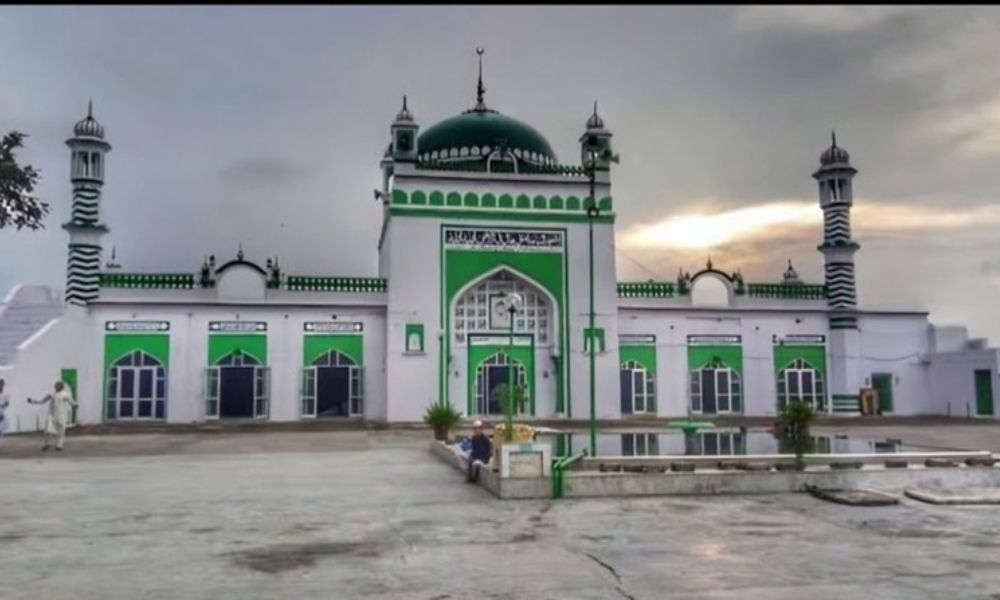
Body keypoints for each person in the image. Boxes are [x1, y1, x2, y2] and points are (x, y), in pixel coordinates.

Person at [27, 381, 77, 452]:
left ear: (61, 387)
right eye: (55, 385)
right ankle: (47, 444)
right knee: (48, 430)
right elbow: (42, 401)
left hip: (61, 415)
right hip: (52, 415)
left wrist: (75, 405)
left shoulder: (65, 395)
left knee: (61, 431)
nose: (56, 387)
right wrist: (32, 401)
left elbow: (71, 401)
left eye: (58, 385)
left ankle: (59, 445)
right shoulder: (51, 395)